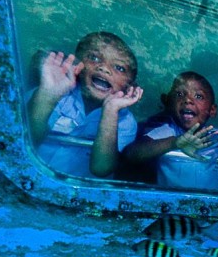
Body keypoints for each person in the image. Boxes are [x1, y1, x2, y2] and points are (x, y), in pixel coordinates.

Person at [27, 31, 143, 178]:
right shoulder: (53, 91)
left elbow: (101, 168)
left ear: (129, 85)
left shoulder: (125, 121)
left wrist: (110, 110)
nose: (104, 68)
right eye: (94, 58)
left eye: (119, 68)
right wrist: (48, 96)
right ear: (78, 66)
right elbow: (25, 139)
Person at [120, 71, 218, 190]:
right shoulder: (167, 132)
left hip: (213, 207)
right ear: (169, 103)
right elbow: (131, 154)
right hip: (172, 207)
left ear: (212, 110)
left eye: (198, 96)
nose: (187, 100)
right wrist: (175, 143)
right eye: (180, 94)